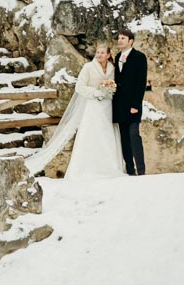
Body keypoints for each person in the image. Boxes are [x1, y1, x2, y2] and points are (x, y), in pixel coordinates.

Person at [26, 41, 125, 180]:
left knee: (107, 134)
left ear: (108, 55)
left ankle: (109, 166)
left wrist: (110, 89)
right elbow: (80, 87)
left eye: (102, 53)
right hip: (93, 106)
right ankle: (90, 168)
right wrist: (96, 92)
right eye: (97, 52)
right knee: (92, 135)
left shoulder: (112, 68)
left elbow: (114, 84)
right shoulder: (88, 67)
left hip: (107, 106)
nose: (99, 55)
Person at [113, 30, 148, 175]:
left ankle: (141, 169)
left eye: (123, 38)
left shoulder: (139, 57)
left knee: (134, 134)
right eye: (119, 38)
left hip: (133, 105)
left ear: (131, 41)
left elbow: (141, 83)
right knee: (124, 138)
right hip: (119, 105)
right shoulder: (117, 57)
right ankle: (130, 170)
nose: (120, 40)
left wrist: (135, 105)